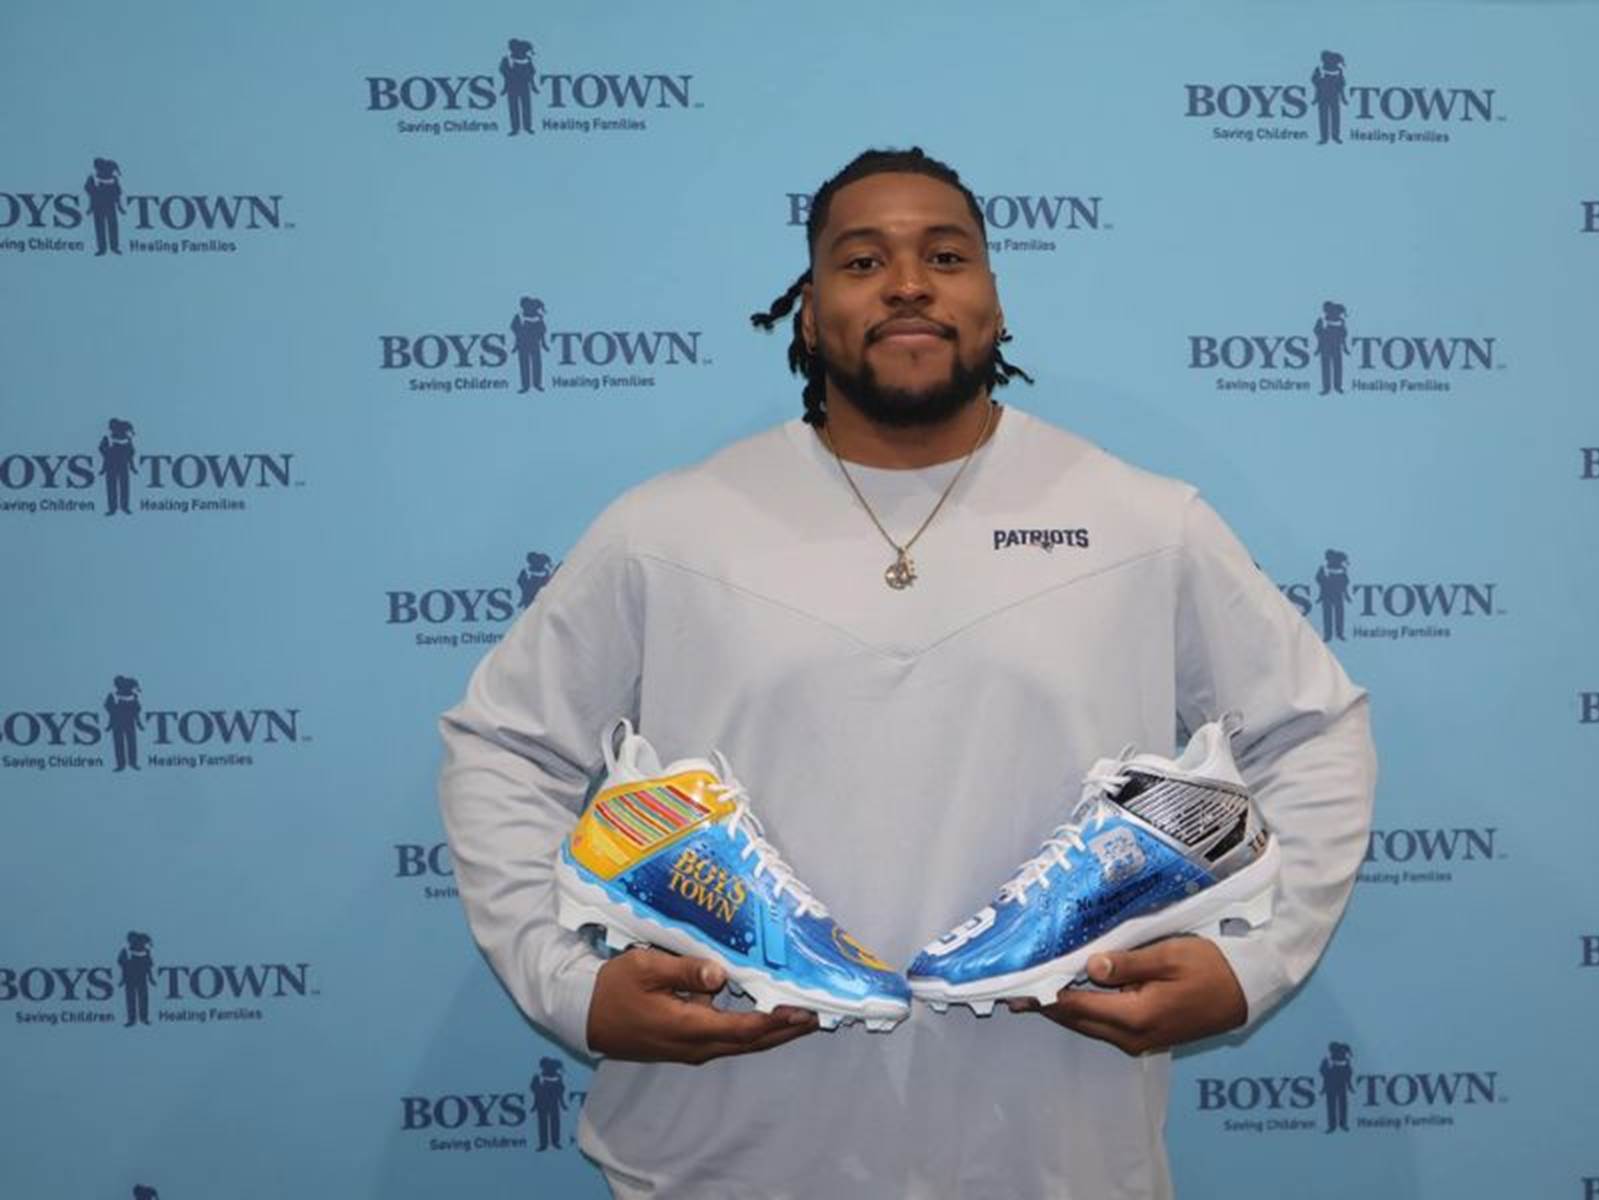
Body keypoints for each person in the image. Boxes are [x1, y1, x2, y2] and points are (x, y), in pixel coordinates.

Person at [439, 147, 1375, 1199]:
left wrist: (1251, 964)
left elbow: (1312, 734)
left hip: (1054, 1159)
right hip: (720, 1159)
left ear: (996, 305)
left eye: (945, 254)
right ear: (806, 316)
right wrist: (568, 985)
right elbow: (507, 747)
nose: (909, 282)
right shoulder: (669, 528)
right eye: (860, 260)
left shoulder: (1143, 523)